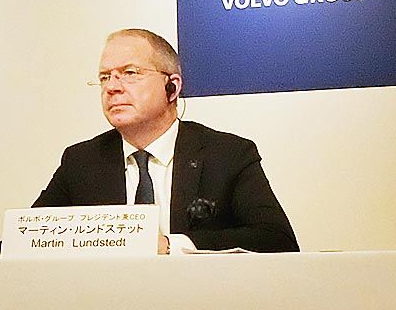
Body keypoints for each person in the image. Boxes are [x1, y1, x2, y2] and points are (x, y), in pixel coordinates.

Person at [29, 29, 298, 254]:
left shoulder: (227, 155)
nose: (112, 87)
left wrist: (171, 246)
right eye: (105, 77)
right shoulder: (81, 161)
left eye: (130, 73)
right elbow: (22, 243)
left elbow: (276, 240)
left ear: (172, 87)